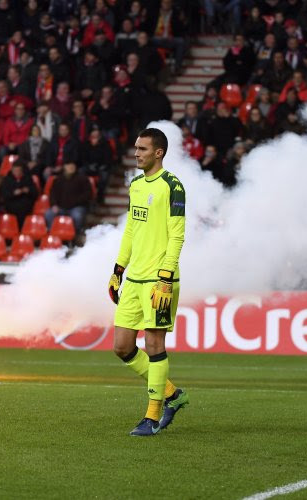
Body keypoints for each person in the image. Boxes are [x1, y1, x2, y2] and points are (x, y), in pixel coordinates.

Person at [107, 127, 188, 436]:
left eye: (142, 149)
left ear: (159, 153)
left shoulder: (173, 186)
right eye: (136, 148)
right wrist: (118, 270)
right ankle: (173, 395)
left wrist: (166, 277)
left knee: (154, 345)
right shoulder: (137, 185)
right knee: (122, 347)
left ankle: (152, 416)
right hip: (134, 278)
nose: (137, 153)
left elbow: (177, 234)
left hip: (159, 280)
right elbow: (130, 230)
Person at [45, 160, 90, 233]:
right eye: (69, 165)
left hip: (76, 207)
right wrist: (54, 205)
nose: (71, 167)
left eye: (73, 166)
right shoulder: (58, 179)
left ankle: (75, 234)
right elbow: (52, 194)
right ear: (64, 167)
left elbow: (87, 194)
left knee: (77, 216)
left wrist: (76, 202)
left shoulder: (83, 179)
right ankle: (51, 232)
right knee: (49, 214)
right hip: (61, 207)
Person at [79, 128, 114, 203]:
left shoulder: (105, 144)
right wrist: (88, 166)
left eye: (97, 136)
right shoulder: (85, 144)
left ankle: (100, 196)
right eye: (93, 135)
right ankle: (84, 194)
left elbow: (108, 158)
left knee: (104, 175)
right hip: (89, 167)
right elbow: (82, 158)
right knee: (81, 171)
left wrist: (102, 166)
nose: (95, 137)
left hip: (101, 167)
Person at [0, 162, 37, 228]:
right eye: (15, 171)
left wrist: (27, 190)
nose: (16, 172)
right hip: (11, 204)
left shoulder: (27, 179)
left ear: (21, 171)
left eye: (18, 170)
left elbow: (35, 192)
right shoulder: (7, 180)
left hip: (25, 205)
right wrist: (14, 193)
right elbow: (4, 194)